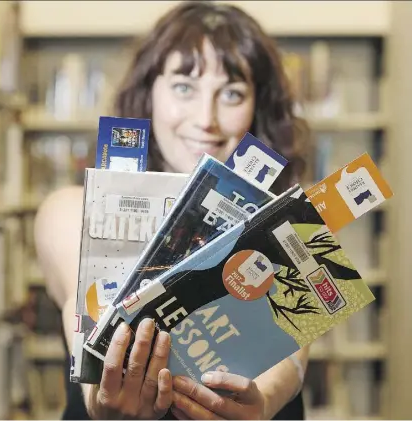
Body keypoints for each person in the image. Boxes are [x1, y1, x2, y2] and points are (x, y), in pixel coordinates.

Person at [34, 1, 311, 420]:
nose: (206, 119)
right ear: (150, 93)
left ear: (258, 106)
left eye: (232, 94)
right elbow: (84, 308)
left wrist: (264, 401)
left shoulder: (291, 220)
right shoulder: (73, 208)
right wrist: (102, 401)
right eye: (184, 86)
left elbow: (293, 351)